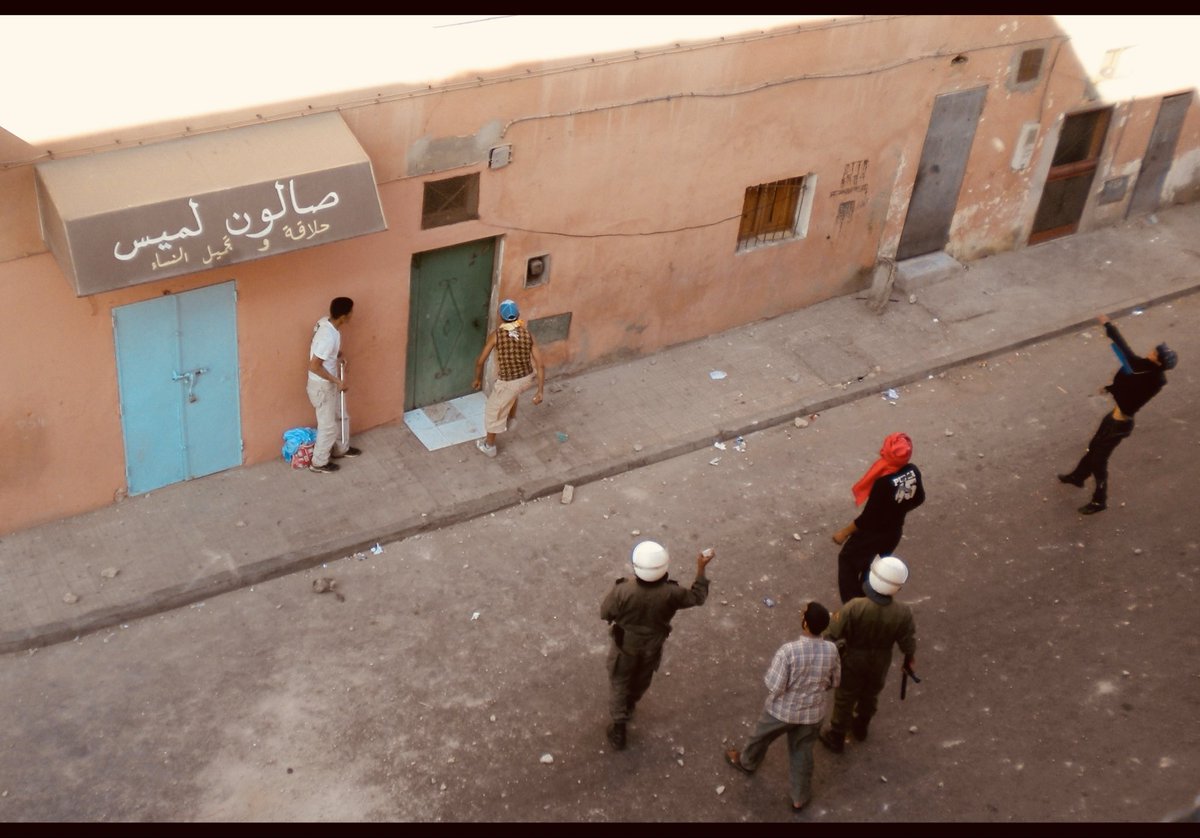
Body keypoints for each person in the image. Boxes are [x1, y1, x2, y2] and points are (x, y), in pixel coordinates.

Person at [724, 601, 841, 815]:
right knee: (803, 753)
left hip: (782, 711)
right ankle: (799, 798)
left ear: (805, 624)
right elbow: (835, 682)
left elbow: (774, 685)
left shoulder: (789, 652)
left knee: (760, 737)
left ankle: (747, 762)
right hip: (813, 713)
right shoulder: (832, 649)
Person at [600, 541, 714, 751]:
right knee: (642, 678)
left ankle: (619, 728)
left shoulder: (622, 590)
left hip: (625, 645)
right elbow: (698, 597)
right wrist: (701, 567)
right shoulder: (672, 593)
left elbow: (605, 613)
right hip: (653, 646)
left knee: (620, 683)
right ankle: (630, 705)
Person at [1058, 313, 1177, 515]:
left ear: (1158, 362)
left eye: (1155, 353)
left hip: (1119, 425)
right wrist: (1112, 388)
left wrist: (1108, 326)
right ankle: (1078, 477)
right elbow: (1131, 384)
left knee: (1099, 460)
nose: (1151, 351)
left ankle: (1099, 500)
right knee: (1094, 447)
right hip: (1116, 417)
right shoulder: (1151, 374)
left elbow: (1123, 348)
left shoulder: (1145, 373)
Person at [819, 555, 916, 754]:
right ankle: (861, 725)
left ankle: (837, 734)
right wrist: (909, 658)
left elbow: (831, 633)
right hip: (881, 660)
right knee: (870, 693)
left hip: (853, 659)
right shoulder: (903, 613)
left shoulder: (854, 607)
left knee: (846, 695)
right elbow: (907, 641)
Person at [832, 432, 925, 603]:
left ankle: (853, 607)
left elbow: (867, 519)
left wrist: (844, 533)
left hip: (872, 535)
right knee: (874, 567)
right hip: (893, 533)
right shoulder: (913, 471)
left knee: (847, 560)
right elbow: (919, 498)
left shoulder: (883, 484)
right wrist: (898, 510)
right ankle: (869, 599)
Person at [472, 298, 545, 458]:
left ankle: (489, 446)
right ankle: (512, 419)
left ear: (500, 316)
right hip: (527, 378)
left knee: (493, 412)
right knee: (513, 394)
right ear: (518, 314)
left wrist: (477, 379)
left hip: (509, 382)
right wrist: (540, 391)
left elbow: (480, 361)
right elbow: (540, 365)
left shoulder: (496, 336)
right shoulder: (527, 334)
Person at [306, 296, 361, 474]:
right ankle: (319, 463)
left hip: (328, 384)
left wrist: (339, 354)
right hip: (322, 386)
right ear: (344, 316)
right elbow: (314, 366)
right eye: (351, 312)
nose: (353, 314)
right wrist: (337, 381)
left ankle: (341, 449)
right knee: (328, 426)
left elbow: (325, 353)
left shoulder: (327, 324)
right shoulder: (327, 336)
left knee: (341, 416)